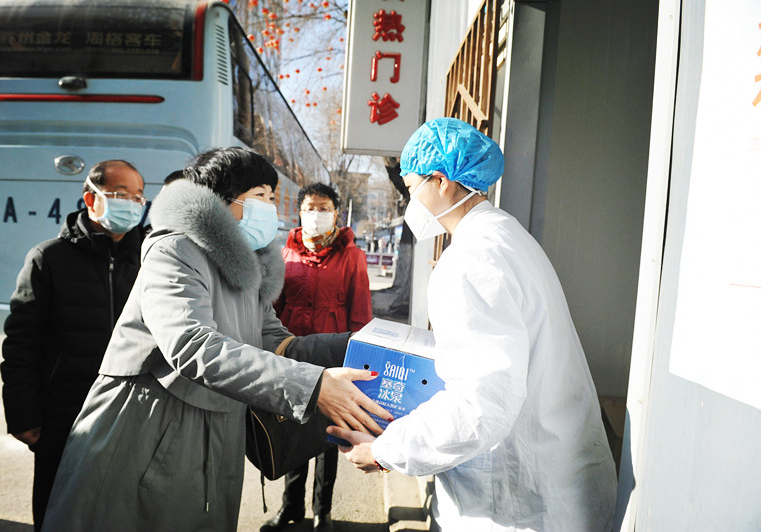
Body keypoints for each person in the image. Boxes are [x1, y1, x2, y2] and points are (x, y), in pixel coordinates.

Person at [40, 147, 391, 532]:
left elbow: (274, 340)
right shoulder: (174, 250)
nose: (270, 208)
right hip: (149, 427)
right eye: (260, 196)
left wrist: (353, 348)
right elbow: (191, 343)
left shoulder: (247, 266)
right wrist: (311, 386)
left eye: (272, 198)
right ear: (222, 199)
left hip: (217, 426)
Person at [328, 118, 618, 532]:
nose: (410, 203)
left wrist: (385, 450)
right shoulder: (508, 236)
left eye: (411, 188)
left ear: (441, 181)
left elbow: (480, 405)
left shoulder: (470, 259)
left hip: (518, 502)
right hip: (557, 479)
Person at [0, 159, 146, 530]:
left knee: (123, 512)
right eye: (120, 194)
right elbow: (21, 341)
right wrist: (23, 414)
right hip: (64, 416)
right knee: (58, 511)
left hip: (132, 415)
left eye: (139, 196)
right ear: (91, 199)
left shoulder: (151, 259)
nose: (132, 203)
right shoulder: (49, 258)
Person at [263, 183, 372, 532]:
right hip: (294, 357)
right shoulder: (285, 255)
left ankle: (322, 512)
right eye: (310, 207)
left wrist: (360, 364)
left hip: (333, 359)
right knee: (293, 430)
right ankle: (290, 506)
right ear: (299, 212)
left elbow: (361, 317)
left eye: (324, 208)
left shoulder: (352, 257)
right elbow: (272, 310)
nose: (316, 214)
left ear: (336, 213)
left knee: (329, 436)